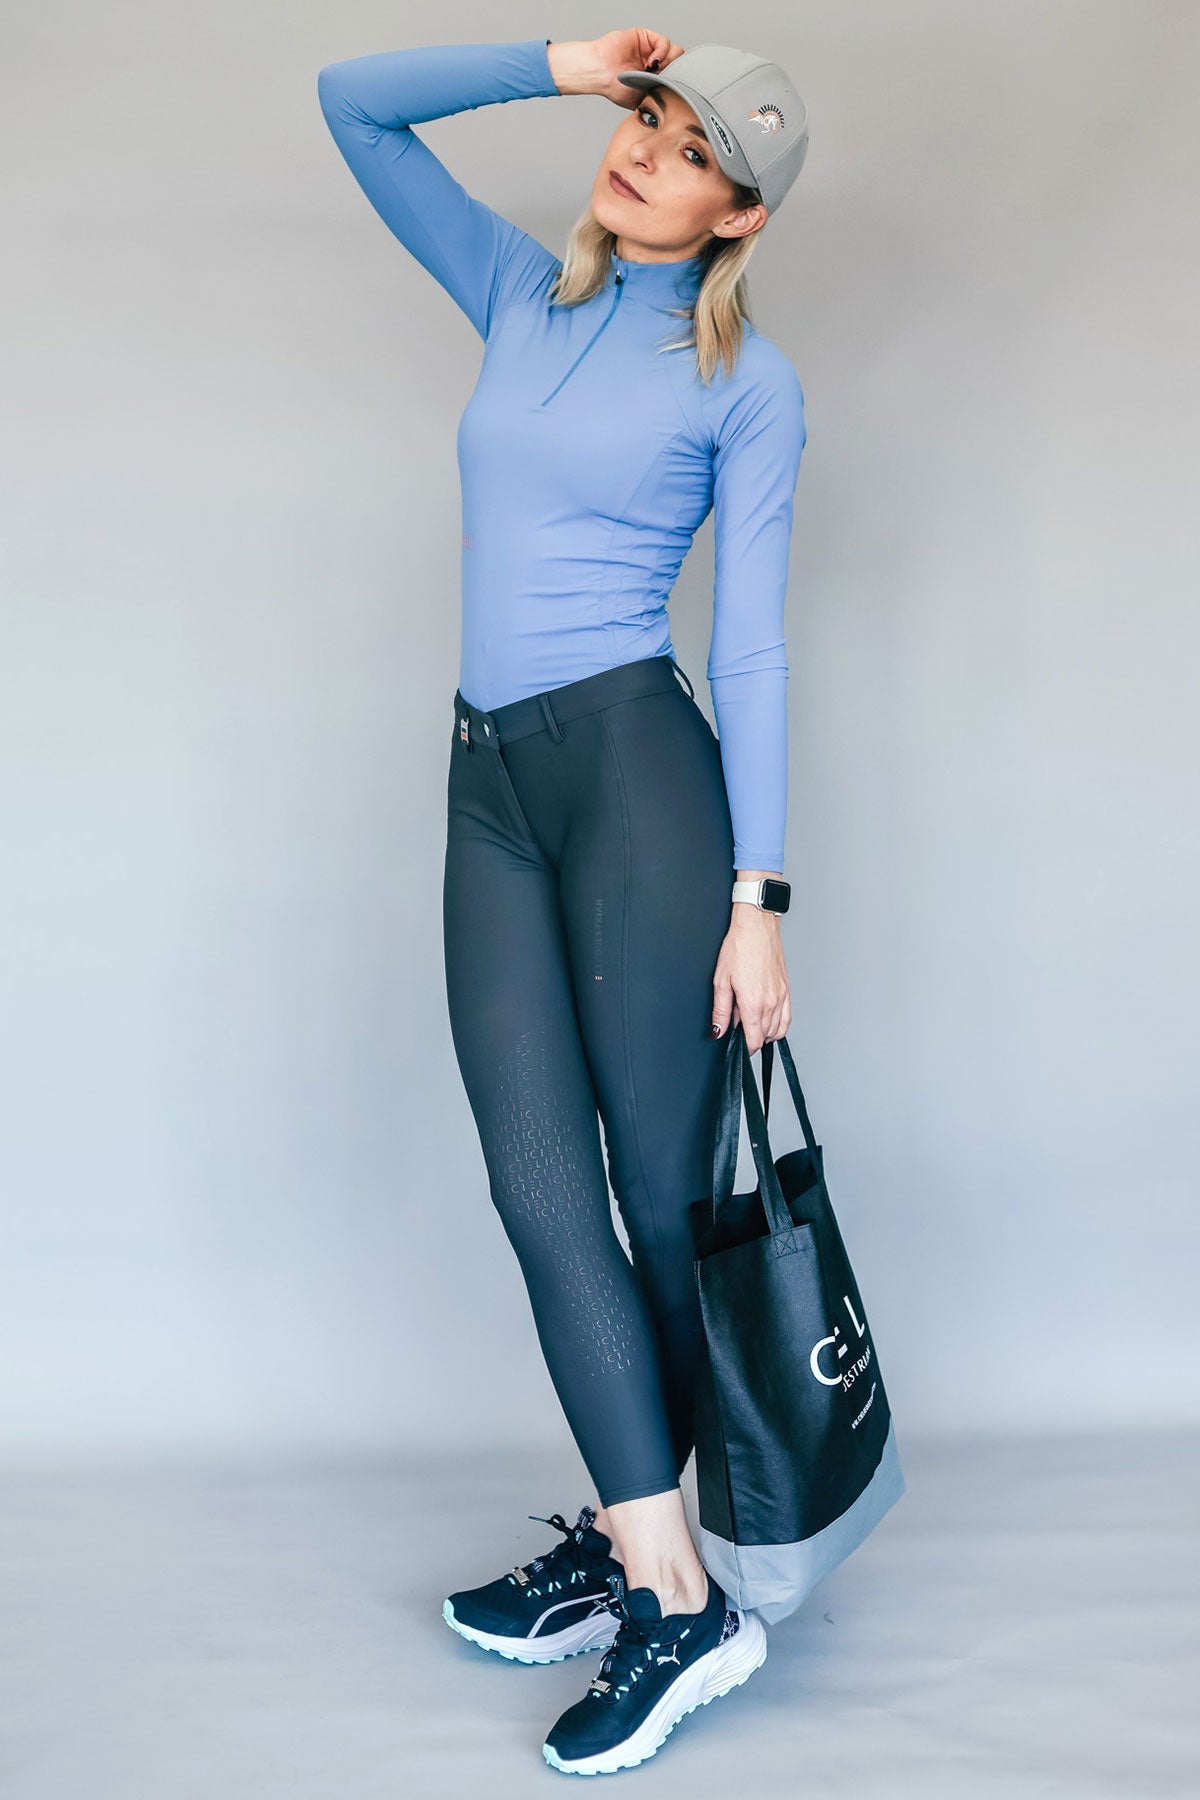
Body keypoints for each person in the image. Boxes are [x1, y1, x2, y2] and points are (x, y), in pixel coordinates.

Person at [317, 26, 810, 1775]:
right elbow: (351, 104)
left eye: (685, 150)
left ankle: (671, 1596)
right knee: (540, 1189)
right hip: (491, 787)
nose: (646, 155)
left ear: (736, 213)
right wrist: (556, 60)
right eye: (647, 125)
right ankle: (642, 1553)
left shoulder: (745, 380)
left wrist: (761, 896)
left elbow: (745, 644)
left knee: (657, 1209)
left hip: (637, 788)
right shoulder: (523, 292)